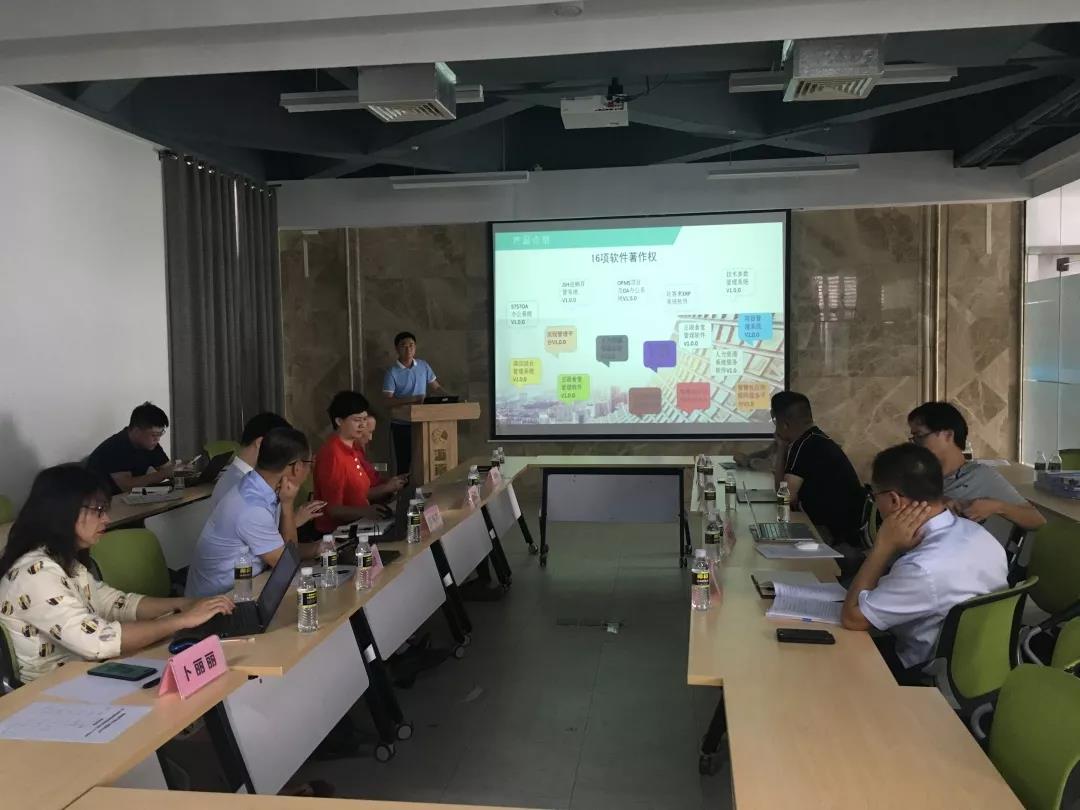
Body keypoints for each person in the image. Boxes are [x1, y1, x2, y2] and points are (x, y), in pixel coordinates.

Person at [0, 464, 233, 682]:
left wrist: (185, 604)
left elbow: (116, 604)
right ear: (64, 511)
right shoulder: (35, 574)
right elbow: (96, 641)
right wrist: (181, 620)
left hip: (84, 675)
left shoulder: (63, 560)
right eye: (98, 510)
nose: (107, 519)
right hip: (51, 689)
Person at [842, 444, 1008, 680]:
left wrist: (882, 548)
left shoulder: (923, 568)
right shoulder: (979, 534)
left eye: (874, 495)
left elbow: (852, 619)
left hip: (919, 671)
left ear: (893, 500)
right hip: (974, 664)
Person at [186, 427, 322, 598]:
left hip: (243, 587)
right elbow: (286, 564)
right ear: (297, 467)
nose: (310, 470)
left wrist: (317, 548)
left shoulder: (255, 485)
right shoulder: (252, 507)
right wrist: (288, 505)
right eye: (309, 463)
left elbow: (278, 547)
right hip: (218, 601)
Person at [907, 401, 1045, 539]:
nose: (915, 444)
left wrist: (998, 507)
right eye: (913, 438)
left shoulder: (979, 476)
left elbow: (1036, 520)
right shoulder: (916, 476)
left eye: (920, 436)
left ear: (948, 435)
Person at [771, 391, 865, 546]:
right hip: (840, 527)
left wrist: (781, 448)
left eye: (775, 422)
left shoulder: (805, 445)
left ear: (785, 424)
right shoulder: (815, 438)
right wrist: (782, 447)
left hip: (832, 534)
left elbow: (784, 496)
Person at [208, 412, 326, 530]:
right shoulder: (241, 486)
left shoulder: (246, 478)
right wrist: (294, 519)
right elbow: (263, 532)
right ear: (261, 443)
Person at [313, 392, 394, 535]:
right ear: (339, 421)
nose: (362, 425)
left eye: (364, 419)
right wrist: (366, 511)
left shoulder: (352, 449)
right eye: (357, 420)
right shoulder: (332, 454)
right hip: (336, 534)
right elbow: (333, 509)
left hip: (359, 525)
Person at [382, 331, 445, 474]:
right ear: (396, 349)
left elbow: (436, 388)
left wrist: (450, 398)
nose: (408, 349)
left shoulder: (423, 365)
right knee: (404, 464)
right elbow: (387, 401)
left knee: (425, 462)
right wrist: (413, 399)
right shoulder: (392, 372)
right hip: (402, 424)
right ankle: (403, 488)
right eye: (404, 346)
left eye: (411, 345)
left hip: (424, 422)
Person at [86, 402, 177, 495]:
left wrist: (181, 470)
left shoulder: (150, 444)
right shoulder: (116, 446)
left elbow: (169, 469)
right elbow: (126, 486)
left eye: (160, 434)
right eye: (154, 435)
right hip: (103, 499)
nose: (157, 439)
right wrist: (163, 474)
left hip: (130, 497)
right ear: (136, 431)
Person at [356, 414, 408, 504]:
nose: (371, 438)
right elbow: (359, 494)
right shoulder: (349, 456)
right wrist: (388, 487)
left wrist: (392, 481)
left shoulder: (360, 450)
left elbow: (373, 479)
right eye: (369, 432)